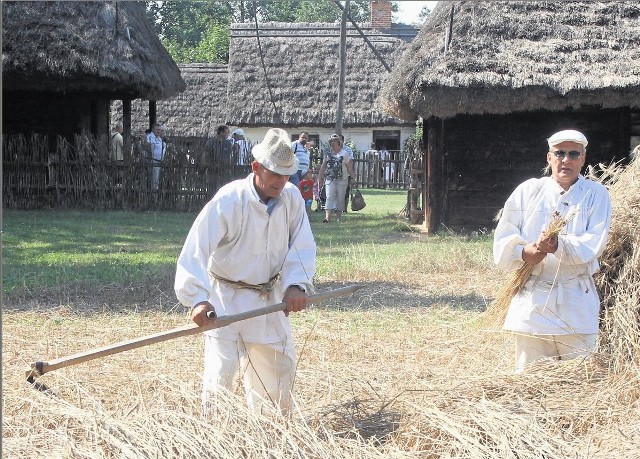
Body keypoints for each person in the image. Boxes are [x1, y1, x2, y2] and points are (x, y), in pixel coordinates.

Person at [174, 127, 316, 414]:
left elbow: (301, 247)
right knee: (221, 373)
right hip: (225, 299)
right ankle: (214, 436)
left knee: (277, 368)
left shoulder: (291, 199)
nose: (282, 181)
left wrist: (296, 286)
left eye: (286, 174)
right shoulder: (229, 200)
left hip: (268, 299)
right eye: (275, 173)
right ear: (256, 168)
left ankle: (271, 435)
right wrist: (199, 299)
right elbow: (196, 249)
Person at [493, 129, 612, 374]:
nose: (565, 160)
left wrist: (557, 246)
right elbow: (503, 238)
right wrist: (526, 252)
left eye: (573, 154)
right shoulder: (527, 192)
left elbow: (593, 243)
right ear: (549, 158)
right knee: (531, 381)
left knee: (580, 380)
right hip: (533, 299)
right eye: (559, 153)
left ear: (583, 159)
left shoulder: (596, 195)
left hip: (576, 299)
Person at [317, 135, 355, 223]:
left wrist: (353, 177)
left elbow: (349, 166)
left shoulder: (344, 153)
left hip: (342, 179)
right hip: (330, 178)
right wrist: (320, 177)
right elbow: (323, 166)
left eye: (334, 142)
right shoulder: (328, 154)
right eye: (331, 142)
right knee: (329, 196)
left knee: (340, 198)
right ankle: (327, 218)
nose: (332, 143)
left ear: (339, 143)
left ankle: (338, 218)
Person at [146, 123, 166, 190]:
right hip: (153, 161)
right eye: (157, 129)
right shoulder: (149, 137)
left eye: (160, 130)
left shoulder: (159, 139)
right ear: (153, 129)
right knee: (154, 180)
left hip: (160, 162)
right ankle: (154, 195)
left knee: (158, 179)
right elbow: (149, 148)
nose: (159, 131)